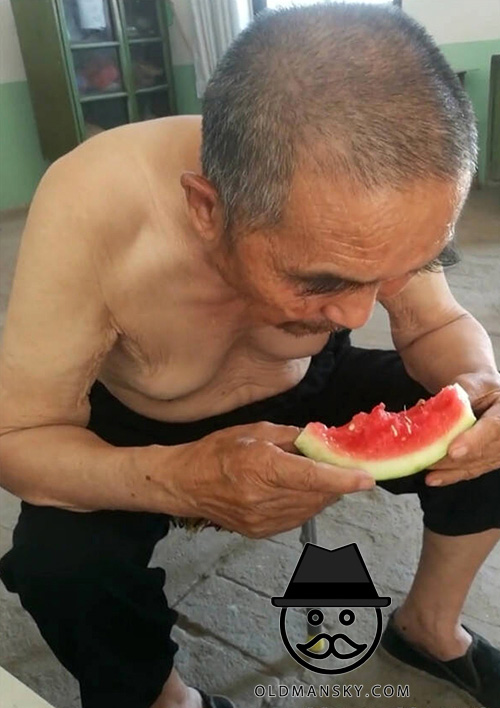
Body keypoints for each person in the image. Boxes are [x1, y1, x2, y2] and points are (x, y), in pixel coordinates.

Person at [0, 4, 499, 708]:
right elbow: (16, 437)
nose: (359, 316)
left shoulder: (381, 195)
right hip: (144, 422)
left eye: (392, 271)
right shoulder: (94, 203)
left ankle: (428, 628)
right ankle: (168, 700)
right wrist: (177, 479)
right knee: (58, 567)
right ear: (208, 207)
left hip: (306, 390)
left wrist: (479, 384)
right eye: (321, 280)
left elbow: (433, 321)